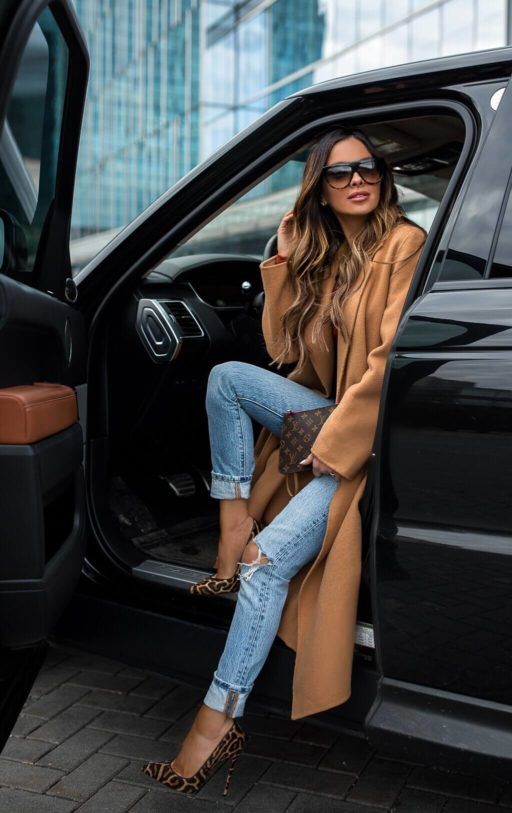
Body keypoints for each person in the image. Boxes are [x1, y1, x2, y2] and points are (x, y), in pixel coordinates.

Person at [143, 128, 425, 796]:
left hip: (368, 437)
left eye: (369, 168)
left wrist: (331, 448)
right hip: (332, 411)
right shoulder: (336, 253)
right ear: (320, 189)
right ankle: (231, 520)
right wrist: (285, 261)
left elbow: (389, 363)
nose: (359, 179)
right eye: (340, 172)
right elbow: (282, 346)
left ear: (383, 177)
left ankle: (218, 722)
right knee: (228, 379)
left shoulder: (403, 243)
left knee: (265, 569)